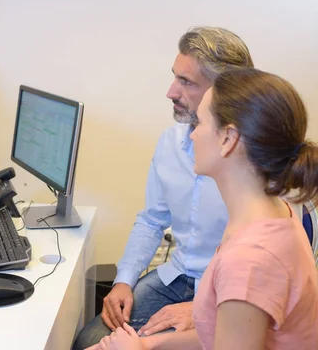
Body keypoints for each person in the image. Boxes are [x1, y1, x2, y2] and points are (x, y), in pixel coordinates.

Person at [87, 68, 318, 349]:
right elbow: (222, 334)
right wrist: (147, 346)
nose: (192, 135)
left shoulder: (249, 260)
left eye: (199, 123)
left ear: (228, 139)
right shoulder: (271, 212)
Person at [73, 27, 255, 349]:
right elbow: (152, 220)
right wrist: (123, 282)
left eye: (186, 82)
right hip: (178, 275)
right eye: (175, 77)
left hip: (228, 294)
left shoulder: (254, 161)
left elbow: (261, 268)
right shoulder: (171, 142)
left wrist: (204, 308)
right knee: (90, 340)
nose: (171, 92)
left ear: (225, 92)